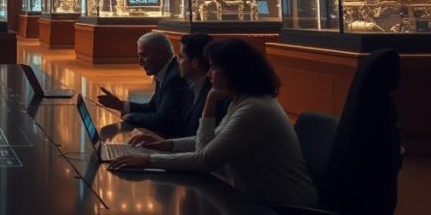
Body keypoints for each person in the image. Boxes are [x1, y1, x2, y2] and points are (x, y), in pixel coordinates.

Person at [112, 38, 319, 208]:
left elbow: (205, 159)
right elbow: (212, 142)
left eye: (213, 68)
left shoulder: (254, 110)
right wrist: (167, 145)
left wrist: (148, 161)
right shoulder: (243, 101)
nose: (209, 74)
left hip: (281, 206)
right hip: (254, 198)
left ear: (232, 71)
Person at [96, 31, 188, 137]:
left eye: (144, 55)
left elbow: (162, 121)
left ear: (161, 55)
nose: (140, 63)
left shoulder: (174, 78)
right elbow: (153, 107)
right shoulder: (165, 71)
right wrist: (120, 105)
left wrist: (131, 117)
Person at [175, 33, 227, 137]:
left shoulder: (216, 95)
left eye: (181, 57)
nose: (178, 62)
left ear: (194, 62)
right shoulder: (189, 88)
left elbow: (207, 141)